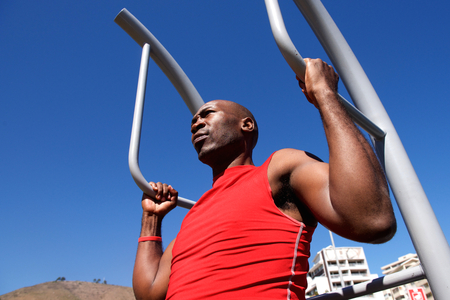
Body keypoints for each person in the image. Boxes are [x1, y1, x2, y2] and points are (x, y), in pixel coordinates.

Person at [132, 58, 396, 300]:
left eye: (207, 114)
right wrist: (152, 219)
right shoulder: (194, 216)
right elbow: (150, 293)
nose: (196, 123)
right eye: (193, 121)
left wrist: (326, 95)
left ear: (246, 125)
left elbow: (373, 220)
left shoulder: (278, 168)